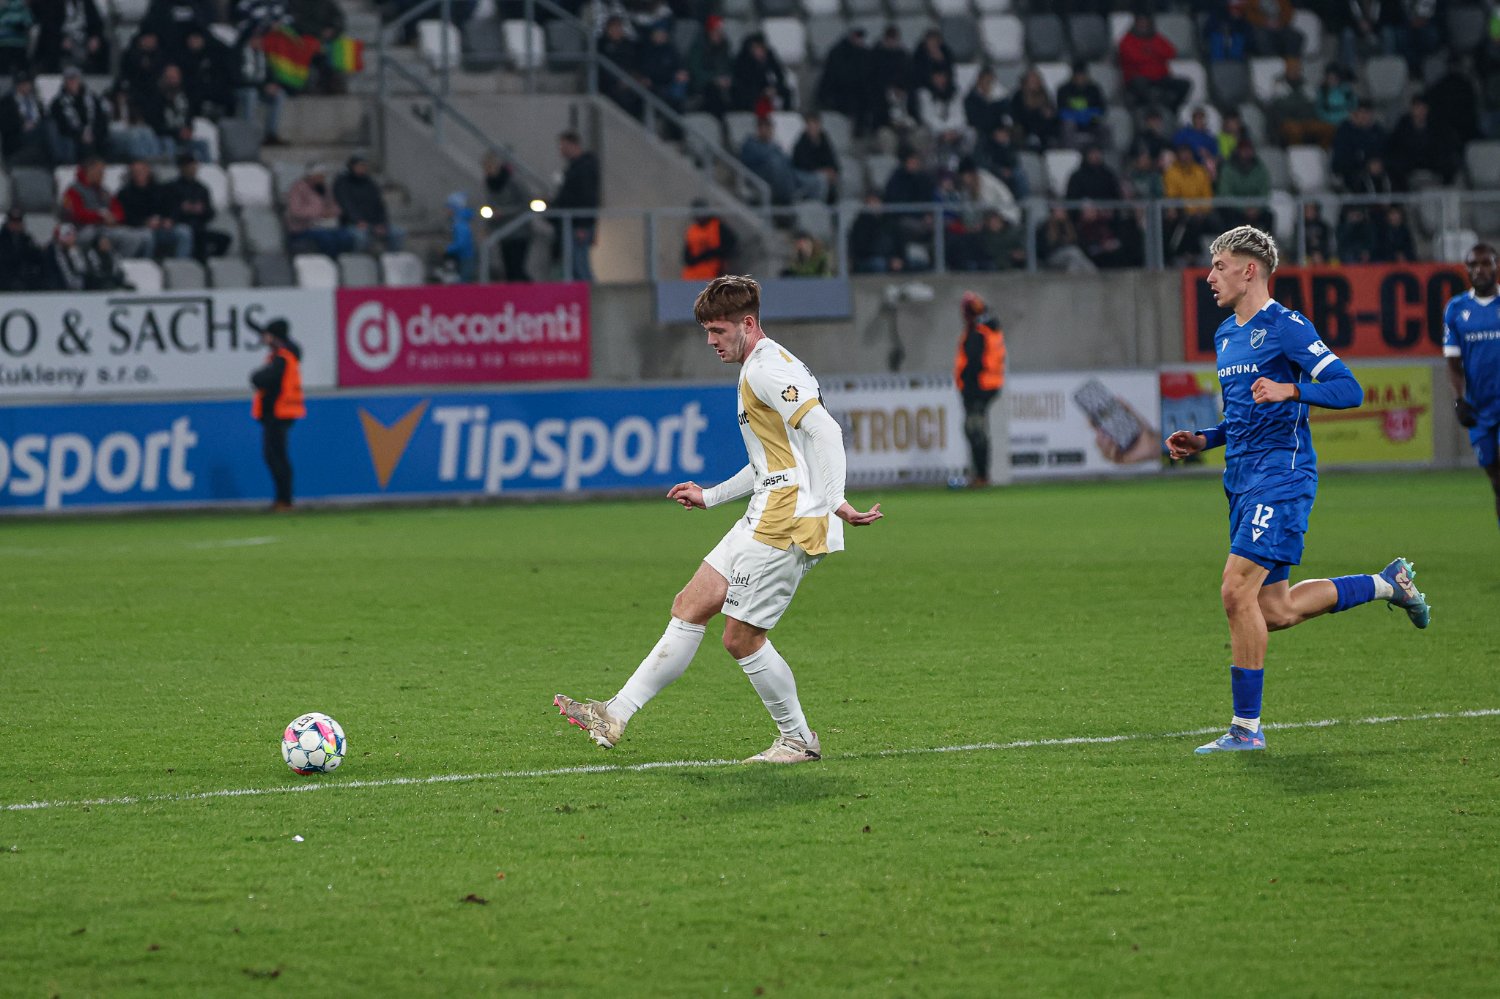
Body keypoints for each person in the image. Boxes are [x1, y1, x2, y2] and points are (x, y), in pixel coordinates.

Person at [554, 274, 883, 764]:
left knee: (741, 637)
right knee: (690, 604)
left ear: (747, 324)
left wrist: (836, 499)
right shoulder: (760, 366)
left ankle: (797, 739)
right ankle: (614, 714)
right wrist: (711, 497)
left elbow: (826, 431)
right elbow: (769, 462)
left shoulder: (767, 370)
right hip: (767, 506)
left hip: (788, 517)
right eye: (707, 331)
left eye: (717, 330)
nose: (710, 341)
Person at [1164, 225, 1430, 755]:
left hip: (1282, 477)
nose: (1209, 276)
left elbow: (1349, 389)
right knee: (1274, 611)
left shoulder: (1287, 327)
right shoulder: (1226, 334)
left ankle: (1246, 729)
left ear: (1249, 271)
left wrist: (1291, 388)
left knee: (1234, 591)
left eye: (1219, 266)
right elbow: (1243, 416)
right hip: (1241, 480)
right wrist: (1206, 439)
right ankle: (1387, 584)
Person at [1441, 243, 1500, 532]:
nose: (1480, 270)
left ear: (1496, 266)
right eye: (1474, 265)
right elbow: (1453, 362)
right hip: (1480, 408)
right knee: (1496, 480)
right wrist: (1459, 399)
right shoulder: (1456, 309)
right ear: (1466, 270)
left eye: (1486, 263)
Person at [250, 318, 305, 512]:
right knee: (277, 456)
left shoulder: (282, 357)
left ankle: (284, 500)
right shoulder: (284, 355)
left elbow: (264, 379)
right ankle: (283, 499)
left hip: (279, 413)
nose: (264, 339)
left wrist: (256, 376)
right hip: (280, 413)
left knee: (276, 457)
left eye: (267, 335)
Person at [954, 291, 1005, 487]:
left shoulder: (978, 333)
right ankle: (981, 474)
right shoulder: (990, 329)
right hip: (987, 387)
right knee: (976, 430)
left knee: (975, 430)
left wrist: (967, 387)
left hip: (977, 390)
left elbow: (974, 363)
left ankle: (982, 476)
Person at [117, 158, 193, 259]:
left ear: (148, 171)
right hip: (139, 229)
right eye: (135, 171)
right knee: (147, 236)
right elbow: (125, 216)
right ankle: (147, 263)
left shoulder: (160, 189)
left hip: (161, 227)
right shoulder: (124, 194)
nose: (138, 174)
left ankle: (180, 263)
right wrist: (145, 222)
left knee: (184, 232)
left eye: (141, 170)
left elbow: (173, 207)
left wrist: (170, 220)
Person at [333, 155, 405, 252]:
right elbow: (346, 205)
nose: (362, 168)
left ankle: (392, 258)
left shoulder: (370, 183)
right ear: (352, 166)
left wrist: (381, 223)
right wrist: (358, 221)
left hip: (373, 223)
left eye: (364, 165)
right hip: (352, 223)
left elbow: (379, 205)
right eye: (359, 165)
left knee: (398, 233)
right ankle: (360, 258)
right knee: (361, 237)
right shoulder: (343, 183)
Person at [554, 129, 599, 281]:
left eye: (563, 146)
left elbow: (587, 198)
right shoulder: (576, 167)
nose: (561, 150)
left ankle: (593, 293)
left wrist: (583, 225)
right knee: (575, 266)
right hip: (573, 222)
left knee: (579, 265)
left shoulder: (584, 167)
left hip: (578, 223)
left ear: (572, 145)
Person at [481, 150, 532, 282]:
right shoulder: (489, 184)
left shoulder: (513, 181)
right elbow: (490, 206)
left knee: (517, 268)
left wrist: (503, 212)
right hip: (504, 232)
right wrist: (488, 226)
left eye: (489, 167)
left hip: (519, 231)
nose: (487, 171)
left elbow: (526, 204)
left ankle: (529, 289)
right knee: (509, 270)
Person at [285, 163, 354, 256]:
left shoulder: (325, 188)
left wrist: (332, 212)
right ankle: (331, 260)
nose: (322, 179)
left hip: (326, 225)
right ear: (311, 176)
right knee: (327, 239)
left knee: (346, 237)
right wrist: (319, 213)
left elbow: (336, 206)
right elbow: (295, 211)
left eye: (323, 176)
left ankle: (343, 260)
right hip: (304, 228)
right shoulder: (298, 188)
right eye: (320, 176)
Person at [680, 198, 737, 280]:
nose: (699, 216)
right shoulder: (692, 231)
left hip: (713, 275)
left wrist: (712, 254)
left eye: (701, 213)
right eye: (696, 214)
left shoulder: (717, 226)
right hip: (691, 277)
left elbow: (730, 245)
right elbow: (687, 258)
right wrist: (701, 257)